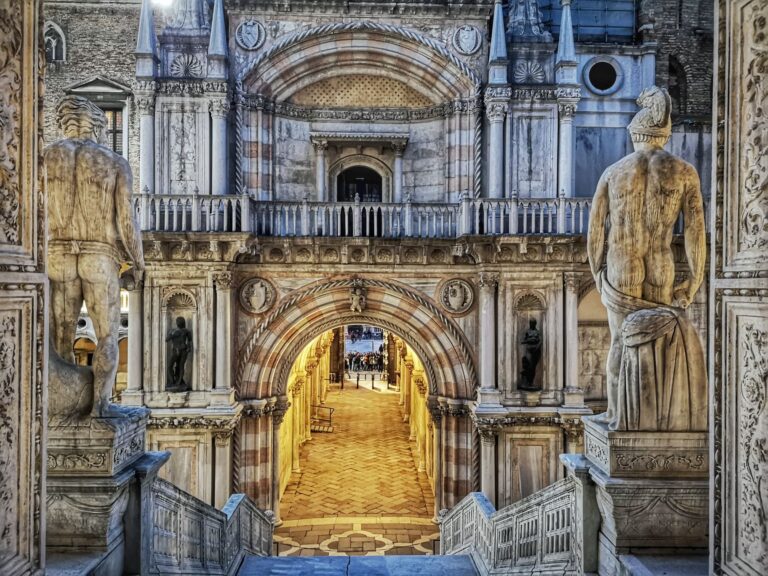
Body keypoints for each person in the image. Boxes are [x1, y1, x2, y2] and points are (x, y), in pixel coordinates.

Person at [587, 86, 706, 431]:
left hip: (621, 267)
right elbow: (696, 231)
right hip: (661, 266)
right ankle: (654, 420)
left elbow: (595, 232)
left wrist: (598, 274)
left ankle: (617, 415)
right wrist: (694, 280)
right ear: (664, 135)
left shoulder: (614, 172)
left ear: (635, 135)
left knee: (620, 344)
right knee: (659, 344)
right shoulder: (684, 172)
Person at [46, 95, 144, 418]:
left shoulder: (44, 159)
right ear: (99, 126)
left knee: (60, 341)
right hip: (99, 256)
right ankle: (100, 408)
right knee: (106, 336)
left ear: (64, 124)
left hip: (57, 254)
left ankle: (61, 410)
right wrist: (138, 263)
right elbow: (127, 222)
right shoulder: (113, 163)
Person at [166, 316, 193, 390]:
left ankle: (179, 381)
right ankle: (173, 381)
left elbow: (190, 341)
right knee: (170, 366)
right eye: (178, 321)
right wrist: (172, 334)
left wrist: (189, 348)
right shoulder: (173, 331)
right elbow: (167, 339)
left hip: (183, 350)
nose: (178, 323)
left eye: (179, 321)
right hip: (176, 350)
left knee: (180, 366)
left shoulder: (186, 331)